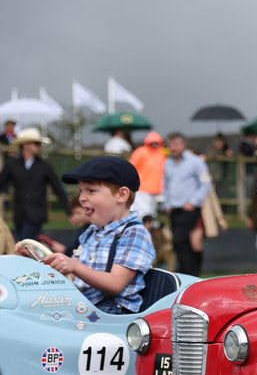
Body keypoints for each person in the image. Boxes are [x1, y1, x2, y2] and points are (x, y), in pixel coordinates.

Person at [36, 156, 155, 314]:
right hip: (84, 306)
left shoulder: (134, 233)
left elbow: (116, 284)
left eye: (91, 191)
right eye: (81, 191)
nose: (82, 198)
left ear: (121, 195)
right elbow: (72, 274)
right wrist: (39, 260)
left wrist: (75, 266)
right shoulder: (92, 231)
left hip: (111, 313)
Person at [0, 127, 71, 240]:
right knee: (22, 243)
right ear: (26, 145)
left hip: (36, 214)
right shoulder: (12, 165)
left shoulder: (45, 166)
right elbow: (1, 184)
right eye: (36, 143)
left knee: (26, 242)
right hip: (19, 214)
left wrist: (69, 211)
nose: (39, 147)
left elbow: (58, 189)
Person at [162, 132, 211, 276]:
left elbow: (205, 183)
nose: (173, 147)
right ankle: (193, 274)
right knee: (184, 243)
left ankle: (186, 272)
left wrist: (193, 201)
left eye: (176, 144)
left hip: (189, 208)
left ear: (184, 145)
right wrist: (166, 203)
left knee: (179, 240)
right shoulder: (167, 163)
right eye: (171, 144)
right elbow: (165, 185)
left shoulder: (195, 162)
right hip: (174, 208)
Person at [128, 131, 166, 218]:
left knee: (153, 215)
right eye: (152, 142)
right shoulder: (140, 152)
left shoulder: (163, 153)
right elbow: (131, 167)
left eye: (157, 142)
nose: (154, 144)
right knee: (144, 214)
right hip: (143, 189)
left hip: (158, 190)